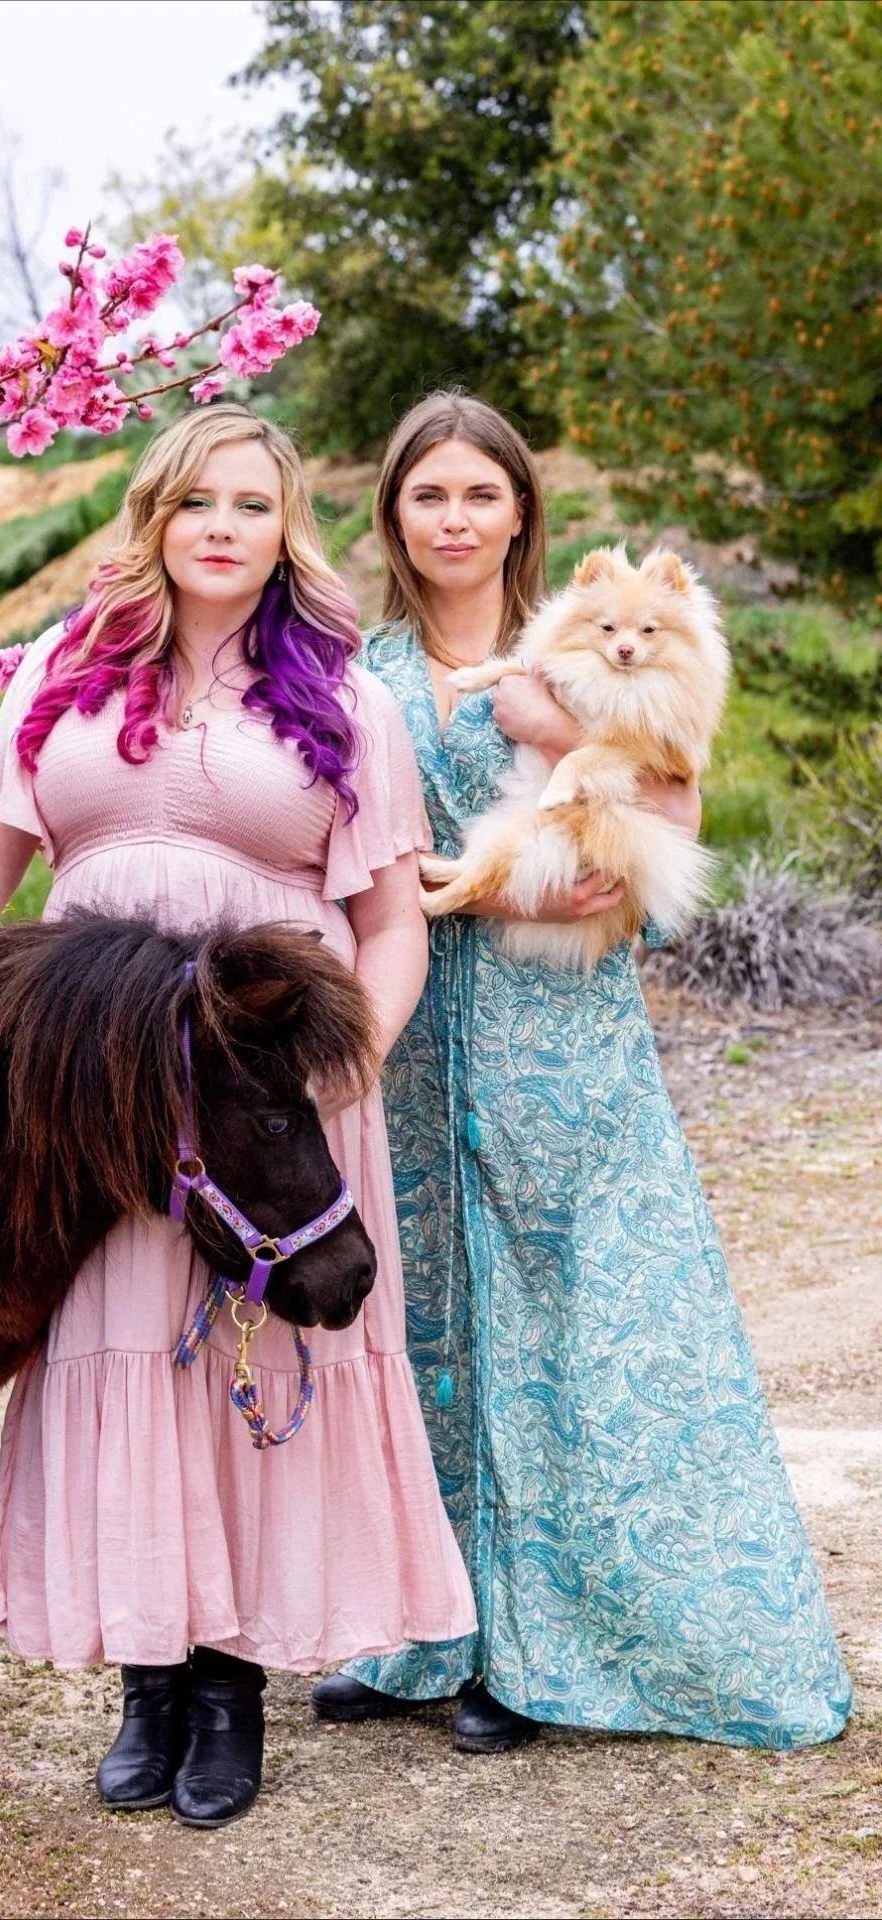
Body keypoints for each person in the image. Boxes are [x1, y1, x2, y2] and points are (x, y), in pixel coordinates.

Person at [0, 404, 476, 1828]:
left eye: (255, 505)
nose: (224, 526)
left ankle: (228, 1694)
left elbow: (390, 921)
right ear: (156, 518)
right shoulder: (62, 670)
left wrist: (353, 1057)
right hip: (95, 1107)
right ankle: (146, 1684)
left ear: (288, 533)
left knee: (255, 1370)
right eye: (198, 502)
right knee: (111, 1350)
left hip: (270, 1098)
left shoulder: (348, 699)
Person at [312, 390, 852, 1753]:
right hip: (411, 1038)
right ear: (394, 514)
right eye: (427, 494)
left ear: (519, 513)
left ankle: (551, 1650)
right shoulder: (356, 668)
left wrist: (534, 783)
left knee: (574, 1321)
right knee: (424, 1322)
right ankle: (425, 1637)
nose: (454, 518)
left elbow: (665, 829)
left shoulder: (582, 654)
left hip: (563, 1034)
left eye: (479, 495)